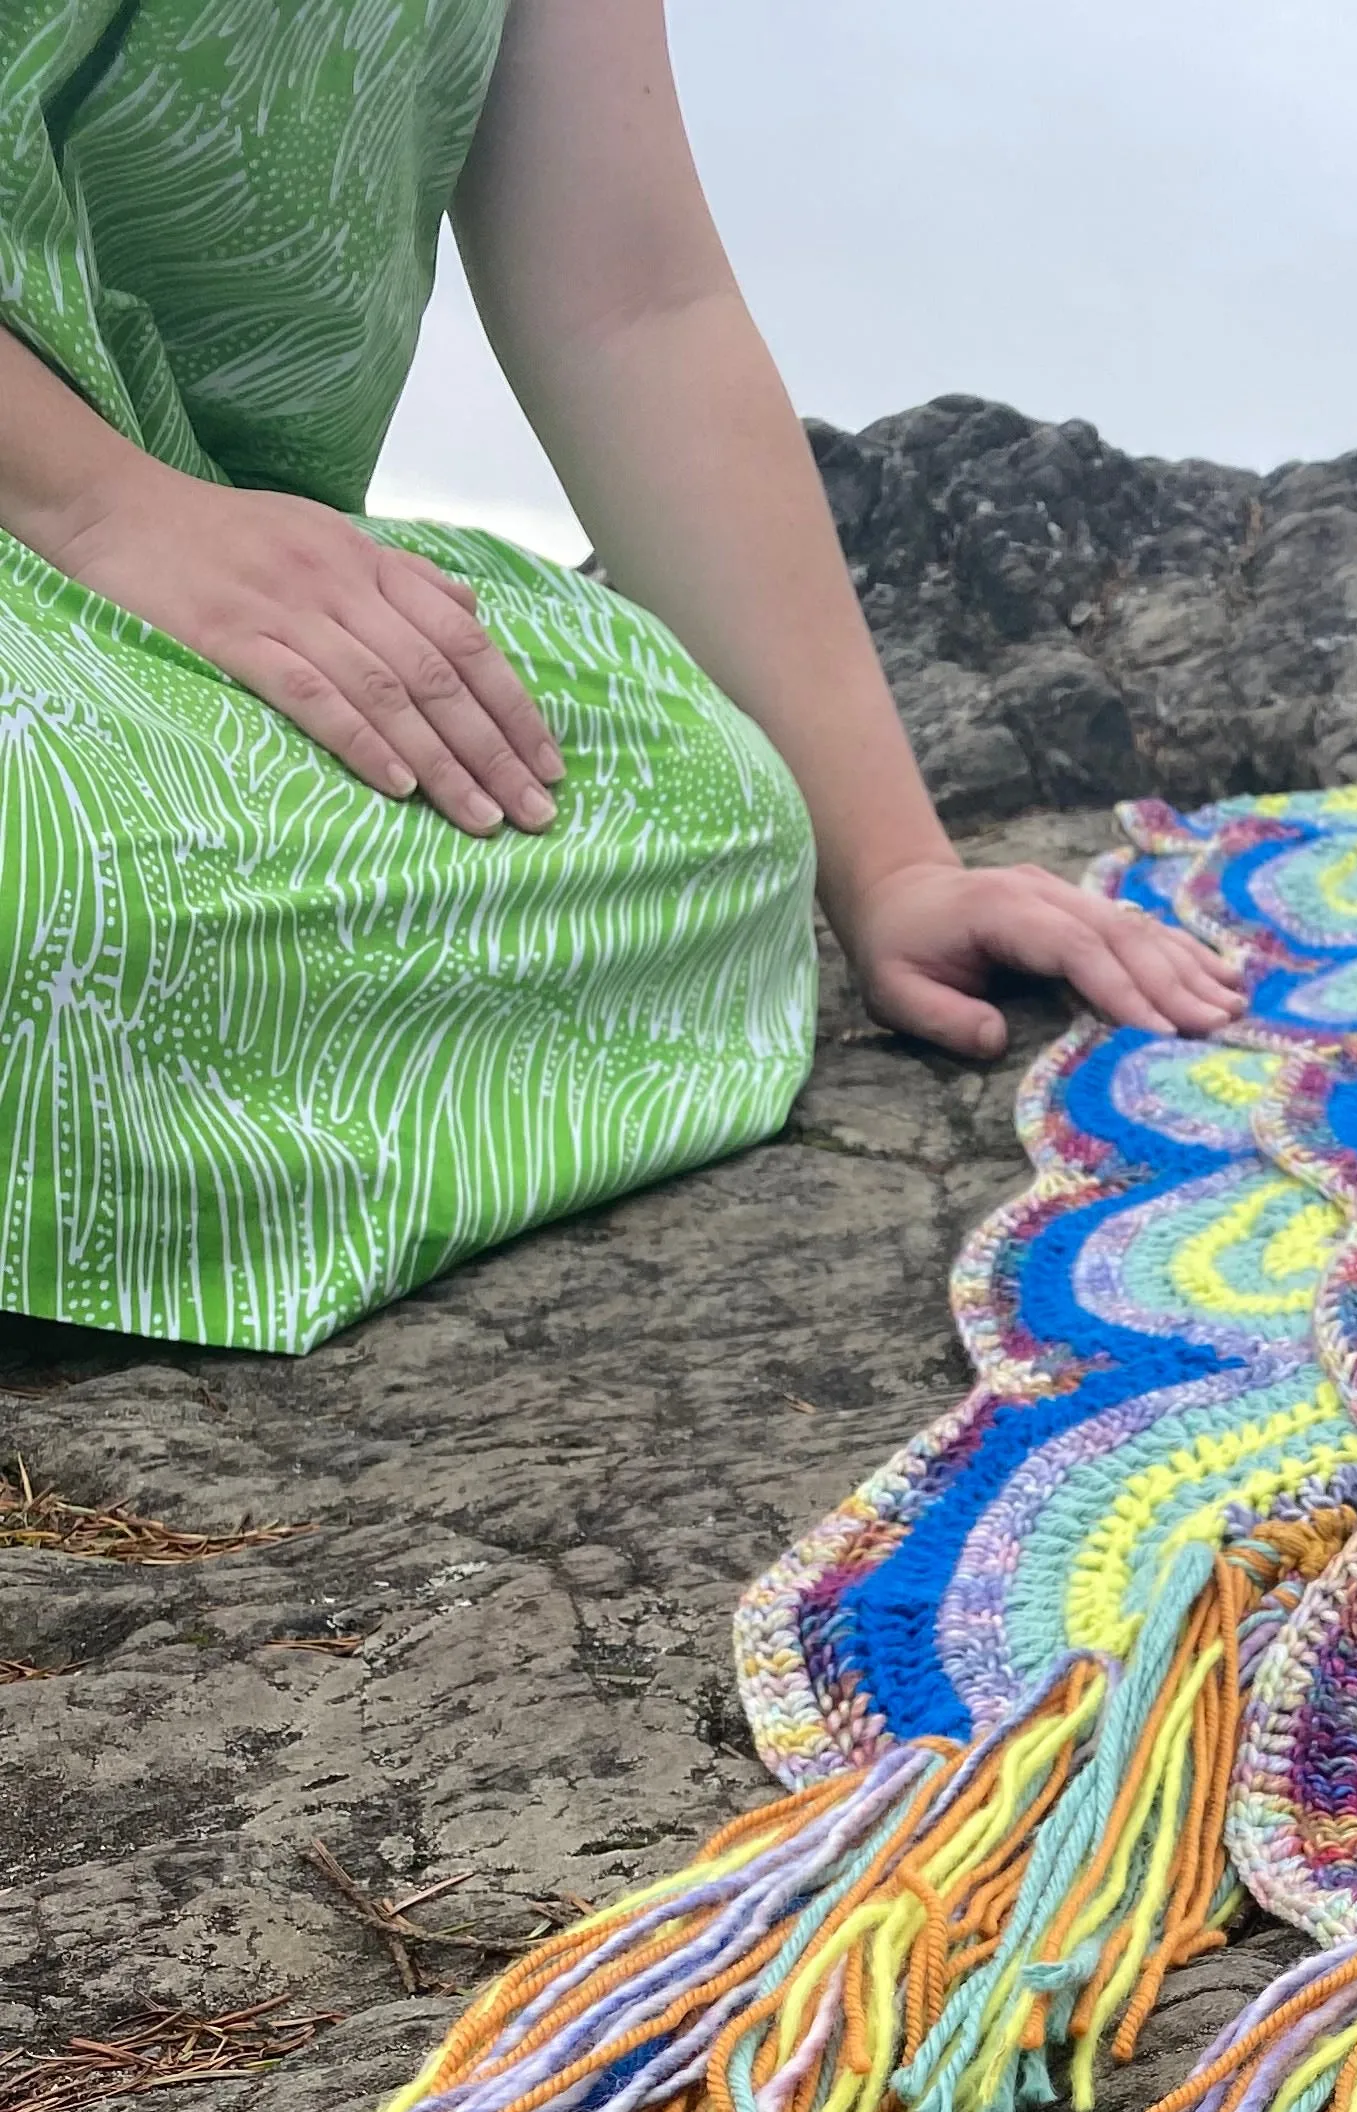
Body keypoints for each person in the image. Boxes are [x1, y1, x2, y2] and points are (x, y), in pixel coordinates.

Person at [0, 0, 1239, 1359]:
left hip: (220, 599)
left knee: (716, 816)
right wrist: (106, 507)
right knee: (46, 872)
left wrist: (890, 871)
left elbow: (635, 306)